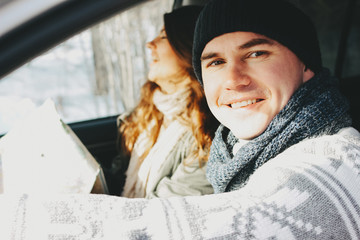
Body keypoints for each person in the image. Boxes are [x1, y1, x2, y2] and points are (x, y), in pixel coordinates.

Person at [2, 0, 360, 239]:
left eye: (256, 53)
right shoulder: (237, 153)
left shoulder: (334, 162)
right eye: (215, 61)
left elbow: (198, 227)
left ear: (307, 66)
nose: (234, 79)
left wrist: (16, 215)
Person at [113, 5, 218, 198]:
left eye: (163, 36)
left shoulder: (206, 135)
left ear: (188, 48)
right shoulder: (151, 115)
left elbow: (163, 211)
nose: (149, 44)